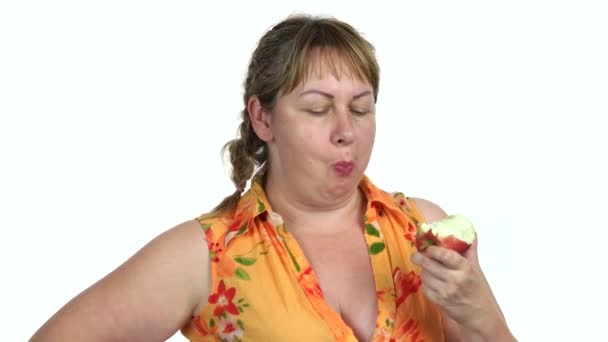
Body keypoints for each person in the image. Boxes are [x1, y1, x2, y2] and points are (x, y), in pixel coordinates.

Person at [30, 14, 516, 342]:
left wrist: (481, 315)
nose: (346, 131)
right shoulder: (207, 255)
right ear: (263, 119)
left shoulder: (421, 228)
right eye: (318, 109)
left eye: (360, 108)